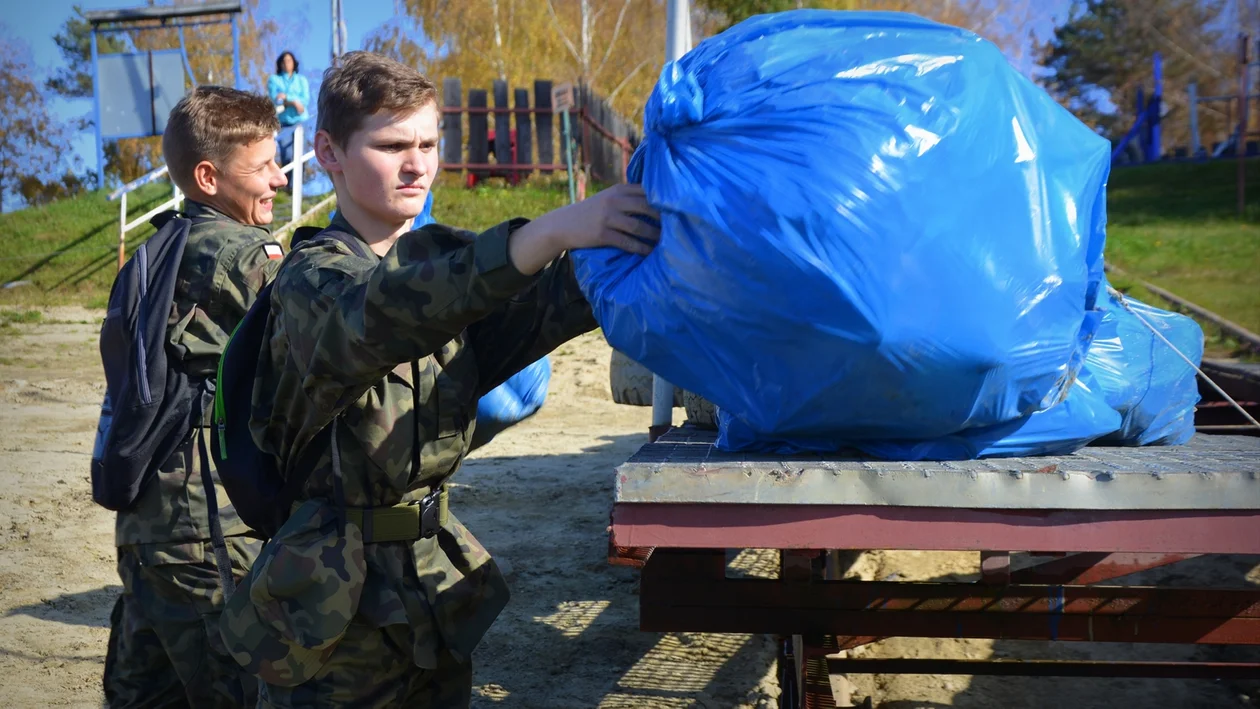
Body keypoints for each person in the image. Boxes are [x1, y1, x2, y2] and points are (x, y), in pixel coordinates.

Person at [220, 51, 659, 707]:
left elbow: (540, 308)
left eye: (428, 142)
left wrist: (641, 226)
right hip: (331, 612)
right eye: (392, 144)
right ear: (329, 153)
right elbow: (388, 311)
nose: (417, 163)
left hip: (427, 591)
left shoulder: (444, 280)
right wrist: (548, 230)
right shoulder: (313, 280)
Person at [103, 86, 288, 708]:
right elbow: (319, 349)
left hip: (145, 525)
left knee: (144, 697)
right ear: (208, 176)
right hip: (212, 530)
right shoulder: (246, 255)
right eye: (263, 166)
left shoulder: (153, 252)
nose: (280, 179)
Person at [267, 51, 310, 189]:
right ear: (280, 64)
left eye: (289, 60)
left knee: (300, 154)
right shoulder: (274, 79)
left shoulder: (301, 80)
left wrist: (286, 98)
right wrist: (293, 101)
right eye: (284, 61)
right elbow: (276, 98)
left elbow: (305, 100)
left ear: (294, 63)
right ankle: (288, 187)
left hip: (300, 122)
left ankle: (298, 186)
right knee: (287, 155)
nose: (287, 63)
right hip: (284, 123)